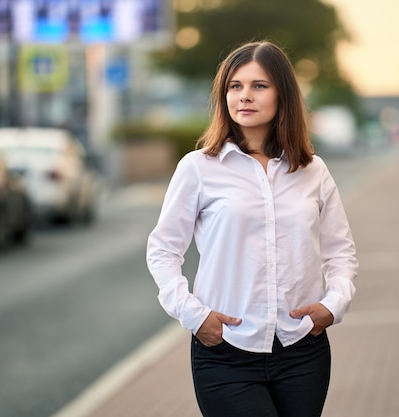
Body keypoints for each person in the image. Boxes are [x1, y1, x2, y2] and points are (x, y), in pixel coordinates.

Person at [146, 40, 358, 417]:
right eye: (235, 86)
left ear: (283, 95)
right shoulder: (198, 168)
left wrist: (333, 304)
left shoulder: (313, 171)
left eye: (259, 86)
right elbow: (163, 250)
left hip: (302, 352)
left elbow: (340, 251)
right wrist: (194, 316)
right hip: (225, 353)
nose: (244, 96)